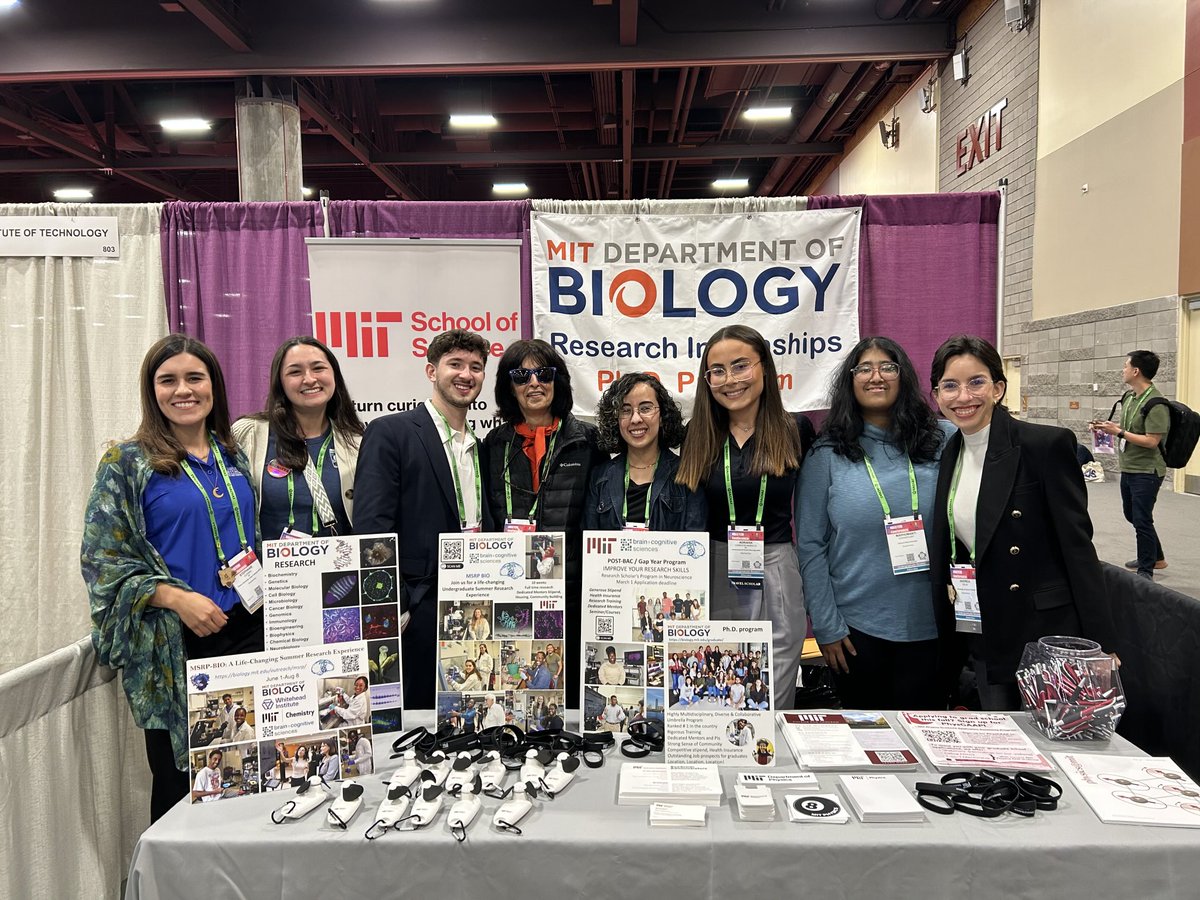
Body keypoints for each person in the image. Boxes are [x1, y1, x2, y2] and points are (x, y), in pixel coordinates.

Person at [82, 335, 261, 823]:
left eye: (194, 378)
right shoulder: (127, 463)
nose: (183, 390)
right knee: (185, 786)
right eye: (168, 380)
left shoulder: (231, 455)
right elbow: (103, 561)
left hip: (249, 631)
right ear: (152, 389)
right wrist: (177, 599)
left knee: (247, 772)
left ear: (213, 387)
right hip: (175, 644)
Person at [929, 335, 1110, 710]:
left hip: (1041, 632)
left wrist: (1099, 646)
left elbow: (1078, 549)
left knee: (1048, 746)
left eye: (976, 382)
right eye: (950, 386)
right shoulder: (952, 452)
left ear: (998, 388)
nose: (964, 397)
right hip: (982, 625)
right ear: (936, 396)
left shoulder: (1045, 446)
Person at [797, 337, 953, 710]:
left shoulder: (943, 439)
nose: (876, 376)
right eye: (863, 368)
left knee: (924, 744)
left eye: (888, 367)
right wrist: (826, 625)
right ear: (850, 382)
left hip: (935, 626)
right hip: (855, 632)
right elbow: (810, 544)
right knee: (868, 746)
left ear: (904, 377)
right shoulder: (828, 453)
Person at [353, 330, 494, 708]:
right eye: (456, 365)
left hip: (473, 597)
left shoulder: (480, 447)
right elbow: (372, 530)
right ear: (432, 371)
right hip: (419, 605)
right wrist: (396, 604)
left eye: (476, 367)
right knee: (418, 719)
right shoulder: (392, 432)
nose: (466, 375)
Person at [676, 325, 814, 703]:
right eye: (717, 371)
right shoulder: (698, 433)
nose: (729, 380)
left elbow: (815, 514)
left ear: (764, 368)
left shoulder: (795, 429)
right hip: (714, 565)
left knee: (775, 675)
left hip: (776, 564)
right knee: (721, 676)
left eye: (740, 367)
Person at [482, 339, 604, 702]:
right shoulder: (493, 445)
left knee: (563, 678)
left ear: (558, 380)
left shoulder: (588, 441)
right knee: (522, 678)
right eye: (521, 375)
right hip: (513, 587)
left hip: (571, 587)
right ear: (509, 385)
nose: (534, 383)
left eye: (543, 373)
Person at [232, 336, 363, 540]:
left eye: (318, 368)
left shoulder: (357, 441)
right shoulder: (248, 433)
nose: (309, 379)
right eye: (295, 372)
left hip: (339, 568)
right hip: (269, 569)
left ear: (334, 375)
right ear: (280, 383)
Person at [584, 373, 706, 532]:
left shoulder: (687, 474)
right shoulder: (600, 477)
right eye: (625, 410)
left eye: (645, 408)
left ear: (662, 416)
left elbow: (696, 546)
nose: (635, 419)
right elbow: (590, 547)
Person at [1091, 350, 1171, 579]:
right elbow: (1128, 427)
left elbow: (1152, 441)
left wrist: (1119, 432)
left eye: (1125, 366)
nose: (1122, 370)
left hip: (1147, 470)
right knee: (1132, 514)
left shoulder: (1157, 404)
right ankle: (1157, 556)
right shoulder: (1129, 397)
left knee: (1142, 518)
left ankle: (1146, 568)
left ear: (1136, 371)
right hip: (1129, 466)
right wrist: (1106, 427)